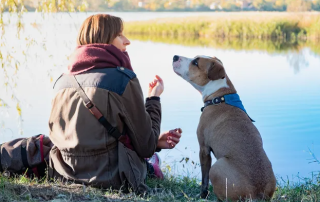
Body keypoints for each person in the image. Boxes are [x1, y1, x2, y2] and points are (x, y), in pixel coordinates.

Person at [47, 14, 182, 193]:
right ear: (103, 40)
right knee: (151, 158)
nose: (127, 41)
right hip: (112, 178)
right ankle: (152, 168)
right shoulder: (122, 80)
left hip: (62, 174)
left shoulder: (61, 81)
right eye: (119, 35)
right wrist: (153, 99)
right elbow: (147, 146)